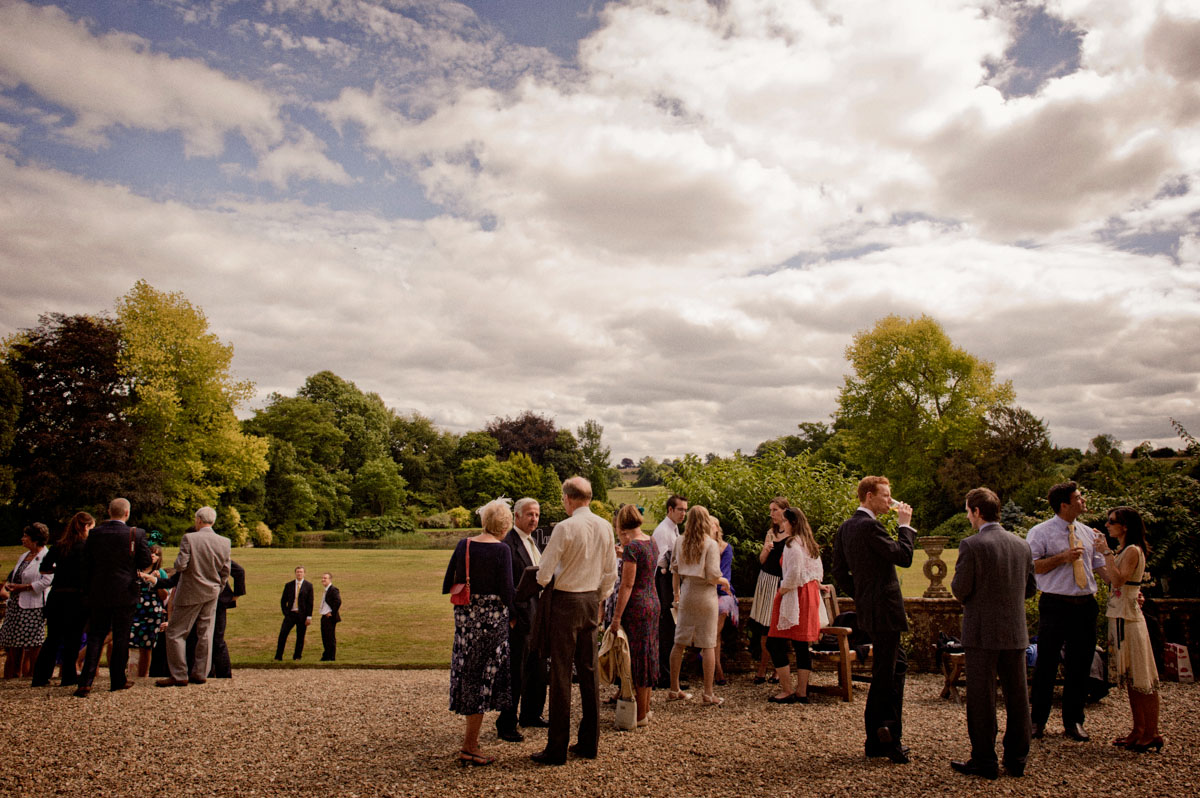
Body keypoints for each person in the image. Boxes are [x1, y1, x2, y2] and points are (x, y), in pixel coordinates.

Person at [949, 487, 1038, 780]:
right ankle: (1017, 759)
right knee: (1017, 696)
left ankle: (984, 759)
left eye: (967, 511)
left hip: (982, 632)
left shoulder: (972, 545)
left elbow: (961, 590)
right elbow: (1030, 589)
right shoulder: (1021, 544)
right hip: (1015, 630)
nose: (967, 517)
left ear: (976, 512)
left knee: (982, 697)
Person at [530, 477, 618, 766]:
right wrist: (599, 596)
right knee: (589, 671)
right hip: (591, 600)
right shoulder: (605, 526)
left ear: (567, 498)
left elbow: (543, 572)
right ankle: (589, 743)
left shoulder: (564, 527)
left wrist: (545, 583)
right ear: (589, 497)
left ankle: (557, 748)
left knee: (560, 674)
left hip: (566, 601)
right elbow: (611, 571)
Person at [831, 476, 916, 764]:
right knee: (886, 673)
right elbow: (903, 556)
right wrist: (905, 525)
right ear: (869, 496)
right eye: (886, 496)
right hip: (886, 610)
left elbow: (839, 571)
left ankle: (881, 735)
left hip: (870, 609)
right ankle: (884, 736)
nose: (890, 502)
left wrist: (862, 596)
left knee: (896, 665)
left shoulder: (845, 528)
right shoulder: (870, 526)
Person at [1026, 481, 1110, 742]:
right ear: (1065, 504)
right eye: (1079, 497)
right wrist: (1062, 558)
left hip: (1085, 605)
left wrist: (1126, 588)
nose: (1083, 500)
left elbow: (1102, 570)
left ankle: (1074, 721)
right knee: (1046, 664)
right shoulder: (1040, 533)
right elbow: (1032, 567)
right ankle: (1037, 721)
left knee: (1080, 664)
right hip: (1055, 604)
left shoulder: (1088, 533)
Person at [442, 498, 516, 767]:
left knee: (469, 674)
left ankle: (470, 742)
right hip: (492, 623)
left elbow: (450, 580)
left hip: (465, 623)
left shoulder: (465, 544)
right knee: (483, 679)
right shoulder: (502, 551)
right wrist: (516, 616)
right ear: (505, 525)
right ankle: (470, 745)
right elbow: (508, 591)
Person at [1099, 506, 1162, 752]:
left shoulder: (1133, 550)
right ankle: (1138, 729)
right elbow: (1110, 578)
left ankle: (1152, 731)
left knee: (1142, 678)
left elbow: (1118, 579)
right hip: (1121, 616)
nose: (1107, 525)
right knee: (1132, 680)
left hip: (1130, 620)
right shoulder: (1126, 550)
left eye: (1111, 521)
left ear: (1124, 526)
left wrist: (1105, 552)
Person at [77, 498, 152, 696]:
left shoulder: (95, 534)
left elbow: (86, 564)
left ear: (109, 512)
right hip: (125, 591)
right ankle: (118, 679)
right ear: (127, 513)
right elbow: (144, 561)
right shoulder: (135, 534)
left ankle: (86, 681)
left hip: (99, 591)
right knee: (121, 636)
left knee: (96, 635)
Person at [157, 506, 231, 687]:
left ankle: (179, 674)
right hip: (212, 591)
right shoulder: (224, 541)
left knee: (175, 632)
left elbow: (181, 565)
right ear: (212, 521)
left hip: (190, 591)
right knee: (205, 633)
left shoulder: (189, 538)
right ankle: (200, 672)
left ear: (198, 520)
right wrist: (218, 588)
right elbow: (225, 571)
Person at [496, 497, 548, 741]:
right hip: (519, 618)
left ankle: (531, 714)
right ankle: (506, 723)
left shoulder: (533, 542)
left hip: (536, 614)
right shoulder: (507, 544)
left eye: (536, 515)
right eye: (529, 514)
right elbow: (503, 584)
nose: (534, 519)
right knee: (515, 672)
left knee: (537, 667)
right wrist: (512, 618)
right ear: (516, 516)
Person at [667, 505, 729, 706]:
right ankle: (708, 693)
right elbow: (712, 575)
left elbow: (674, 569)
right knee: (708, 643)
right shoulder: (710, 544)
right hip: (705, 595)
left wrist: (676, 593)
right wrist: (724, 582)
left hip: (687, 593)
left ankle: (674, 689)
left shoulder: (679, 541)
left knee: (679, 642)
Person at [608, 504, 661, 726]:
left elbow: (627, 585)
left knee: (636, 659)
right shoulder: (651, 542)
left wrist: (616, 617)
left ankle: (638, 715)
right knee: (648, 655)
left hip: (636, 606)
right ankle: (646, 710)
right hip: (653, 600)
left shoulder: (632, 548)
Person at [766, 506, 823, 704]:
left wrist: (781, 590)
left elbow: (794, 574)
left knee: (774, 642)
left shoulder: (792, 545)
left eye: (784, 522)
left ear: (792, 523)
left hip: (795, 594)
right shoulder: (809, 543)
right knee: (801, 644)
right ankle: (802, 691)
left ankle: (788, 689)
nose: (782, 525)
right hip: (809, 594)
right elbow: (817, 572)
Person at [32, 512, 93, 687]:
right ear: (86, 527)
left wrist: (60, 570)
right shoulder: (86, 547)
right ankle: (68, 676)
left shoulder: (59, 546)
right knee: (73, 639)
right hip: (76, 597)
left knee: (53, 638)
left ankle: (40, 676)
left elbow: (44, 569)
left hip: (57, 595)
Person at [1, 523, 52, 678]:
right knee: (12, 641)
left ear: (35, 540)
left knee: (33, 642)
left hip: (33, 605)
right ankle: (13, 674)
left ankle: (34, 675)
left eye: (26, 536)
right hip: (16, 604)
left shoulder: (46, 556)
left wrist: (24, 587)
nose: (22, 539)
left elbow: (46, 581)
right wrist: (12, 586)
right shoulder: (23, 556)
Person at [749, 497, 790, 684]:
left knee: (778, 628)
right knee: (764, 628)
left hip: (782, 584)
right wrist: (766, 549)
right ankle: (763, 667)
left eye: (775, 510)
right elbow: (762, 560)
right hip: (766, 581)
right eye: (771, 510)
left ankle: (777, 668)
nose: (771, 514)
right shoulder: (770, 532)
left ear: (784, 511)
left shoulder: (793, 534)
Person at [650, 494, 687, 688]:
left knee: (670, 629)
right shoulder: (664, 531)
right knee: (665, 629)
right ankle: (664, 675)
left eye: (685, 510)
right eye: (680, 509)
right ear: (670, 510)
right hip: (662, 581)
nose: (683, 513)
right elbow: (661, 562)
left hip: (669, 579)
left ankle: (669, 674)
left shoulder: (673, 528)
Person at [130, 544, 168, 677]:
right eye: (151, 552)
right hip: (133, 610)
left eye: (157, 554)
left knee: (146, 646)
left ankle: (143, 676)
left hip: (152, 612)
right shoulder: (134, 570)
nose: (153, 556)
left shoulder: (161, 573)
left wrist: (156, 582)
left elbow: (164, 596)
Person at [710, 516, 737, 685]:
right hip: (706, 590)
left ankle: (717, 668)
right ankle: (713, 664)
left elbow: (725, 575)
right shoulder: (700, 547)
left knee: (716, 631)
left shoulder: (726, 548)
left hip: (722, 591)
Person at [275, 566, 313, 661]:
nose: (299, 573)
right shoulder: (289, 585)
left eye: (301, 572)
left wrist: (309, 616)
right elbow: (283, 600)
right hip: (290, 614)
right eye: (297, 572)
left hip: (302, 615)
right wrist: (286, 612)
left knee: (300, 636)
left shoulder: (308, 586)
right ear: (295, 573)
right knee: (283, 634)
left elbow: (310, 602)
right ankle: (278, 656)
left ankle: (297, 656)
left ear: (304, 573)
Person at [318, 572, 342, 662]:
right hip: (324, 616)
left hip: (329, 618)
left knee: (330, 637)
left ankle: (331, 657)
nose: (323, 579)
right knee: (325, 637)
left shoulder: (333, 589)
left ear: (330, 579)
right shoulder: (326, 590)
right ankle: (326, 655)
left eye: (325, 578)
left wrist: (332, 612)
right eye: (322, 578)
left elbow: (338, 601)